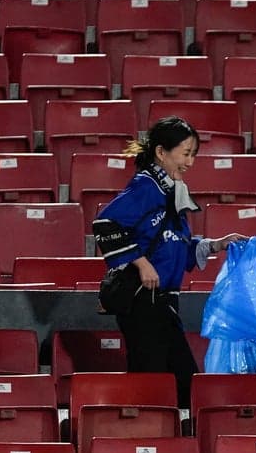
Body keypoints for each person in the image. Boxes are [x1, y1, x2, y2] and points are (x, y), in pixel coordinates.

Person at [92, 116, 245, 407]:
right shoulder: (146, 186)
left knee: (173, 382)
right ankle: (144, 442)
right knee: (163, 383)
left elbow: (176, 247)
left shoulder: (172, 192)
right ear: (162, 153)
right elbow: (106, 223)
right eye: (185, 154)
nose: (189, 162)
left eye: (193, 155)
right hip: (143, 302)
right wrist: (141, 262)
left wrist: (215, 245)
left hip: (163, 303)